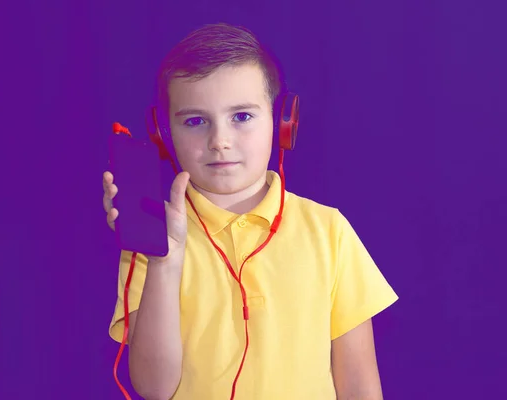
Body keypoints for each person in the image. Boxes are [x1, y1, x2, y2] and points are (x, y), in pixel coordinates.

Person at [102, 22, 398, 400]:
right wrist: (164, 263)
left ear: (282, 123)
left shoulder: (328, 231)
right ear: (163, 133)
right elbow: (154, 388)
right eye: (195, 121)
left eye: (241, 116)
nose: (219, 141)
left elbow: (359, 385)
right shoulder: (151, 239)